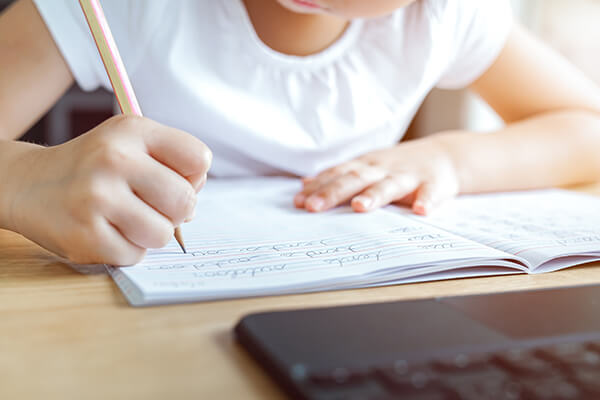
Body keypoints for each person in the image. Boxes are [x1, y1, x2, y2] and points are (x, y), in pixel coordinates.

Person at [1, 0, 599, 266]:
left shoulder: (444, 13)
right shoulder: (124, 6)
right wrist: (23, 180)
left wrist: (452, 160)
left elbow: (588, 130)